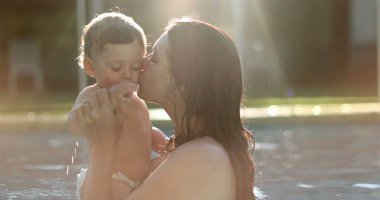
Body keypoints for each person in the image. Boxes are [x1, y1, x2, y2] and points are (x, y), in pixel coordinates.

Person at [76, 18, 256, 200]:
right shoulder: (182, 153)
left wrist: (102, 149)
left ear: (184, 80)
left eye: (154, 58)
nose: (142, 62)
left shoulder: (202, 157)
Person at [66, 12, 168, 200]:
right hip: (110, 178)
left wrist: (162, 142)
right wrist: (101, 104)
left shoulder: (136, 100)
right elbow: (73, 124)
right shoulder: (94, 95)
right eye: (116, 68)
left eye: (136, 67)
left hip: (137, 180)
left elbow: (141, 130)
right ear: (90, 67)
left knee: (170, 166)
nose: (128, 75)